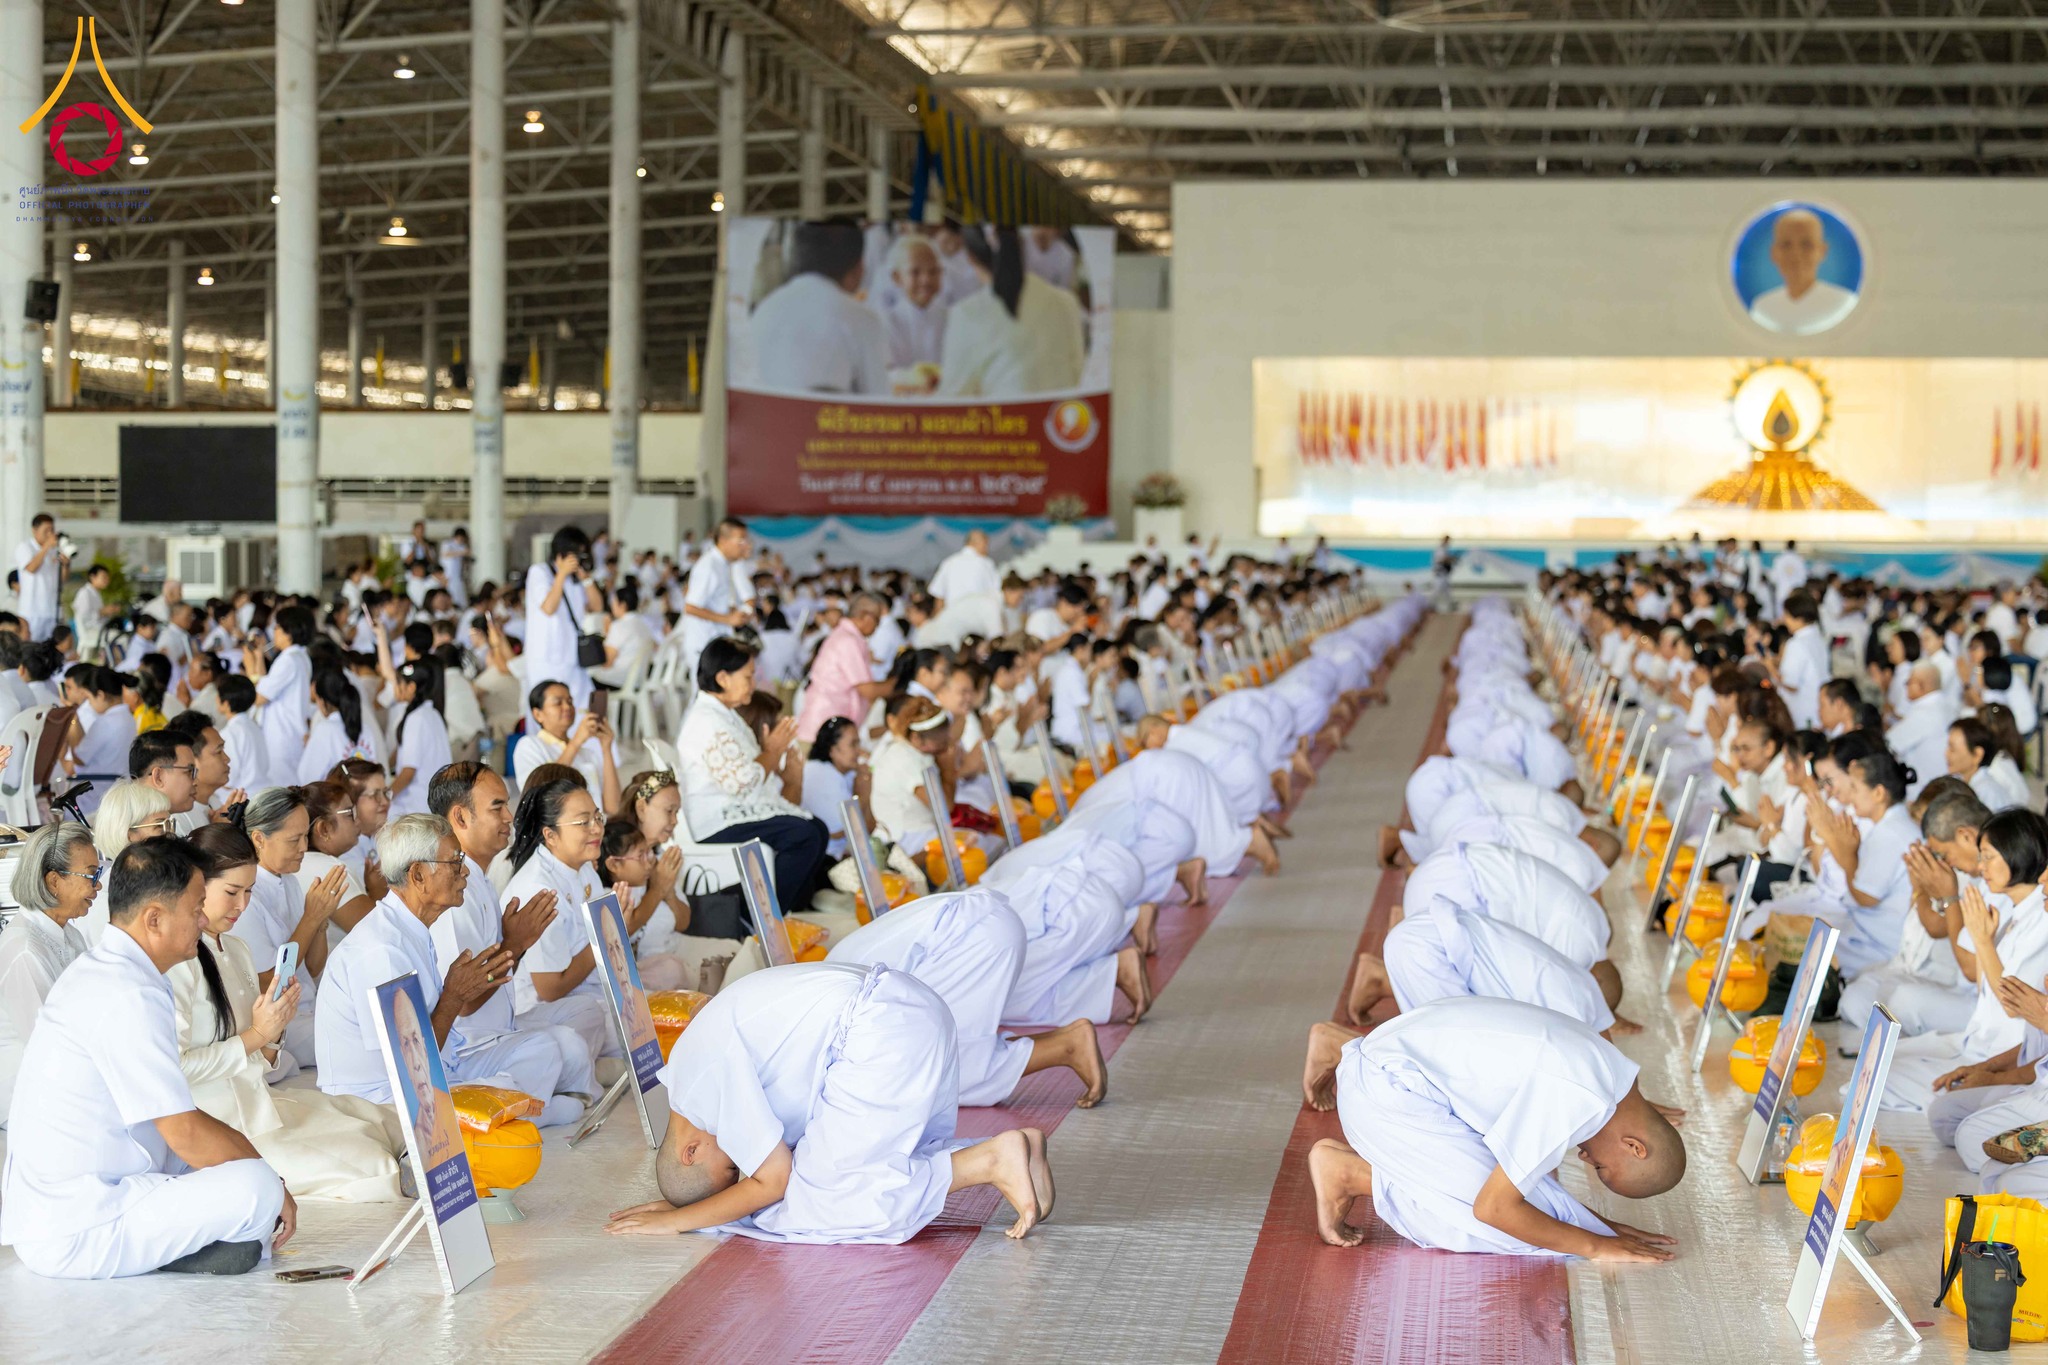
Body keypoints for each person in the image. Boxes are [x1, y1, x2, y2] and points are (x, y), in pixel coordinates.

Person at [1, 838, 293, 1279]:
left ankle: (199, 1238)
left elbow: (174, 1114)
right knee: (255, 1189)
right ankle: (186, 1247)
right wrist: (271, 1180)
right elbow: (185, 1132)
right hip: (80, 1227)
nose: (202, 920)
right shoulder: (128, 990)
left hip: (81, 1202)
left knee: (242, 1170)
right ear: (154, 918)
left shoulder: (113, 969)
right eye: (196, 908)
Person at [607, 961, 1053, 1244]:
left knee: (812, 1205)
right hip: (913, 1009)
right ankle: (1019, 1150)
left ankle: (991, 1162)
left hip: (883, 1031)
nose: (742, 1169)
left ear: (690, 1151)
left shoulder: (697, 1081)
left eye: (730, 1170)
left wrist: (680, 1222)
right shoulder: (692, 1069)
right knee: (883, 1163)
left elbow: (773, 1182)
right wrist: (692, 1210)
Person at [1301, 997, 1684, 1259]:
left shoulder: (1610, 1068)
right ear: (1634, 1146)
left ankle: (1356, 1166)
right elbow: (1493, 1209)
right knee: (1511, 1230)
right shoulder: (1581, 1094)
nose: (1585, 1158)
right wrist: (1595, 1244)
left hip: (1383, 1061)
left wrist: (1600, 1225)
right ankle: (1352, 1175)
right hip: (1381, 1094)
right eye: (1602, 1167)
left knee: (1542, 1208)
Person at [170, 825, 407, 1200]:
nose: (242, 905)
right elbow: (175, 1070)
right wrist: (258, 1035)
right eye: (232, 892)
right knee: (369, 1164)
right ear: (196, 886)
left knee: (382, 1121)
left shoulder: (236, 949)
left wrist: (275, 1027)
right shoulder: (176, 962)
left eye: (249, 892)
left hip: (259, 1104)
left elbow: (259, 1062)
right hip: (217, 1125)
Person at [316, 815, 586, 1118]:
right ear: (418, 875)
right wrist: (454, 996)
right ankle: (520, 1114)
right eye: (455, 863)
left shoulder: (410, 927)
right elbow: (411, 1064)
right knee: (563, 1106)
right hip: (385, 1099)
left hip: (437, 1069)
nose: (465, 871)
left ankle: (516, 1113)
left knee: (539, 1049)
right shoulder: (381, 950)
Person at [427, 762, 600, 1128]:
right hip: (468, 1045)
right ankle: (495, 1111)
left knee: (570, 1043)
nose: (510, 816)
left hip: (499, 1029)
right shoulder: (453, 891)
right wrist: (515, 945)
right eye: (497, 807)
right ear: (460, 817)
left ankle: (531, 1105)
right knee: (550, 1050)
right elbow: (466, 1002)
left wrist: (515, 946)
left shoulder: (479, 879)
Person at [826, 887, 1107, 1107]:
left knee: (940, 1076)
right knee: (954, 1052)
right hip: (986, 923)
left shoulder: (831, 1004)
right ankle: (1069, 1037)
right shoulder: (828, 973)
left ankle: (1066, 1046)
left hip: (971, 940)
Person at [676, 637, 831, 914]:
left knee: (817, 829)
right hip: (716, 821)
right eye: (748, 677)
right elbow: (742, 783)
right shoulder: (707, 721)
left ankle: (791, 909)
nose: (754, 683)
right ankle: (763, 919)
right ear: (723, 678)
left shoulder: (724, 714)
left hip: (735, 811)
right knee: (803, 836)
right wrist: (773, 751)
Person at [501, 774, 621, 1065]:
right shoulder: (538, 889)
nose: (597, 828)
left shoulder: (581, 867)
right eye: (583, 822)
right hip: (551, 1010)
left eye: (597, 817)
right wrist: (606, 934)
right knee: (652, 1029)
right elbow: (550, 988)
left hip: (593, 994)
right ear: (550, 835)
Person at [231, 787, 349, 1069]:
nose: (304, 848)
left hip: (311, 1006)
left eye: (305, 836)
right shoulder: (245, 895)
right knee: (359, 1044)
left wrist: (320, 921)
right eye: (294, 839)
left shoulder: (290, 881)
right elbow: (268, 982)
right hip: (282, 1021)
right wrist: (310, 918)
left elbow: (315, 966)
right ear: (259, 839)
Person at [0, 822, 96, 1124]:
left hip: (69, 1085)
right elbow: (50, 1048)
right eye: (92, 875)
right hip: (29, 1102)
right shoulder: (25, 950)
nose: (99, 886)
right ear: (54, 881)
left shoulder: (69, 935)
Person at [936, 224, 1084, 397]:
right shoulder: (1066, 301)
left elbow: (954, 397)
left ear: (970, 258)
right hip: (1059, 419)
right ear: (1021, 245)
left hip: (1006, 422)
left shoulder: (966, 314)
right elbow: (1077, 373)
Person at [746, 220, 890, 396]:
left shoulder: (763, 311)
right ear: (858, 268)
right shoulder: (860, 319)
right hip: (830, 421)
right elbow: (878, 402)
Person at [792, 592, 893, 745]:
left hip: (832, 729)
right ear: (866, 616)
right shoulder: (847, 641)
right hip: (823, 730)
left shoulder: (847, 637)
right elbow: (868, 690)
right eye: (877, 620)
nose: (878, 626)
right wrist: (898, 682)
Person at [523, 525, 603, 710]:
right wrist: (561, 575)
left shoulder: (576, 580)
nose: (577, 560)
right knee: (551, 713)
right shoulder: (540, 572)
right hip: (546, 659)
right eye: (575, 555)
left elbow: (597, 606)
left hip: (573, 657)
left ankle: (600, 739)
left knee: (595, 707)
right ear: (561, 554)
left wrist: (586, 578)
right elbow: (549, 607)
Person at [513, 679, 621, 813]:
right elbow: (541, 795)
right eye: (558, 702)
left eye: (570, 701)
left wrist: (606, 749)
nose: (567, 707)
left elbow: (613, 807)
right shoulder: (530, 745)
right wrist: (576, 742)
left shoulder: (587, 753)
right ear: (538, 714)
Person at [1747, 208, 1858, 335]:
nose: (1796, 255)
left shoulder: (1844, 303)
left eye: (1806, 245)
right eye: (1786, 245)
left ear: (1822, 251)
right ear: (1774, 253)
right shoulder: (1763, 308)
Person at [681, 517, 752, 678]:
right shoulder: (709, 566)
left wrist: (732, 612)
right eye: (740, 541)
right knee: (704, 696)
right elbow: (690, 607)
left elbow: (713, 602)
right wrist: (727, 619)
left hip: (714, 640)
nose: (744, 546)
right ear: (723, 540)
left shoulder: (723, 564)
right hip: (703, 642)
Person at [387, 656, 453, 818]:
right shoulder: (432, 713)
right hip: (434, 804)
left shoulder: (416, 718)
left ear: (411, 687)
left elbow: (408, 772)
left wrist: (385, 797)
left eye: (398, 683)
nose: (395, 688)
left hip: (416, 806)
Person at [879, 233, 948, 374]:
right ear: (897, 277)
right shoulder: (888, 322)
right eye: (915, 272)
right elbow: (890, 373)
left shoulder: (952, 318)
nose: (926, 280)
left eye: (933, 272)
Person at [922, 530, 1006, 644]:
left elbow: (939, 600)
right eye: (986, 544)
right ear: (975, 543)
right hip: (979, 625)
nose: (987, 549)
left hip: (951, 624)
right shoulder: (986, 564)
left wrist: (938, 624)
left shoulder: (949, 563)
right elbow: (996, 597)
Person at [14, 511, 65, 640]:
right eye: (46, 530)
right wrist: (46, 547)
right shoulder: (25, 547)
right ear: (34, 530)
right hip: (32, 611)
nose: (50, 533)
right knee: (32, 648)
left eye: (52, 529)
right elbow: (31, 568)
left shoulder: (55, 550)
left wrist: (66, 564)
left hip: (52, 610)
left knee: (51, 650)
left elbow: (63, 579)